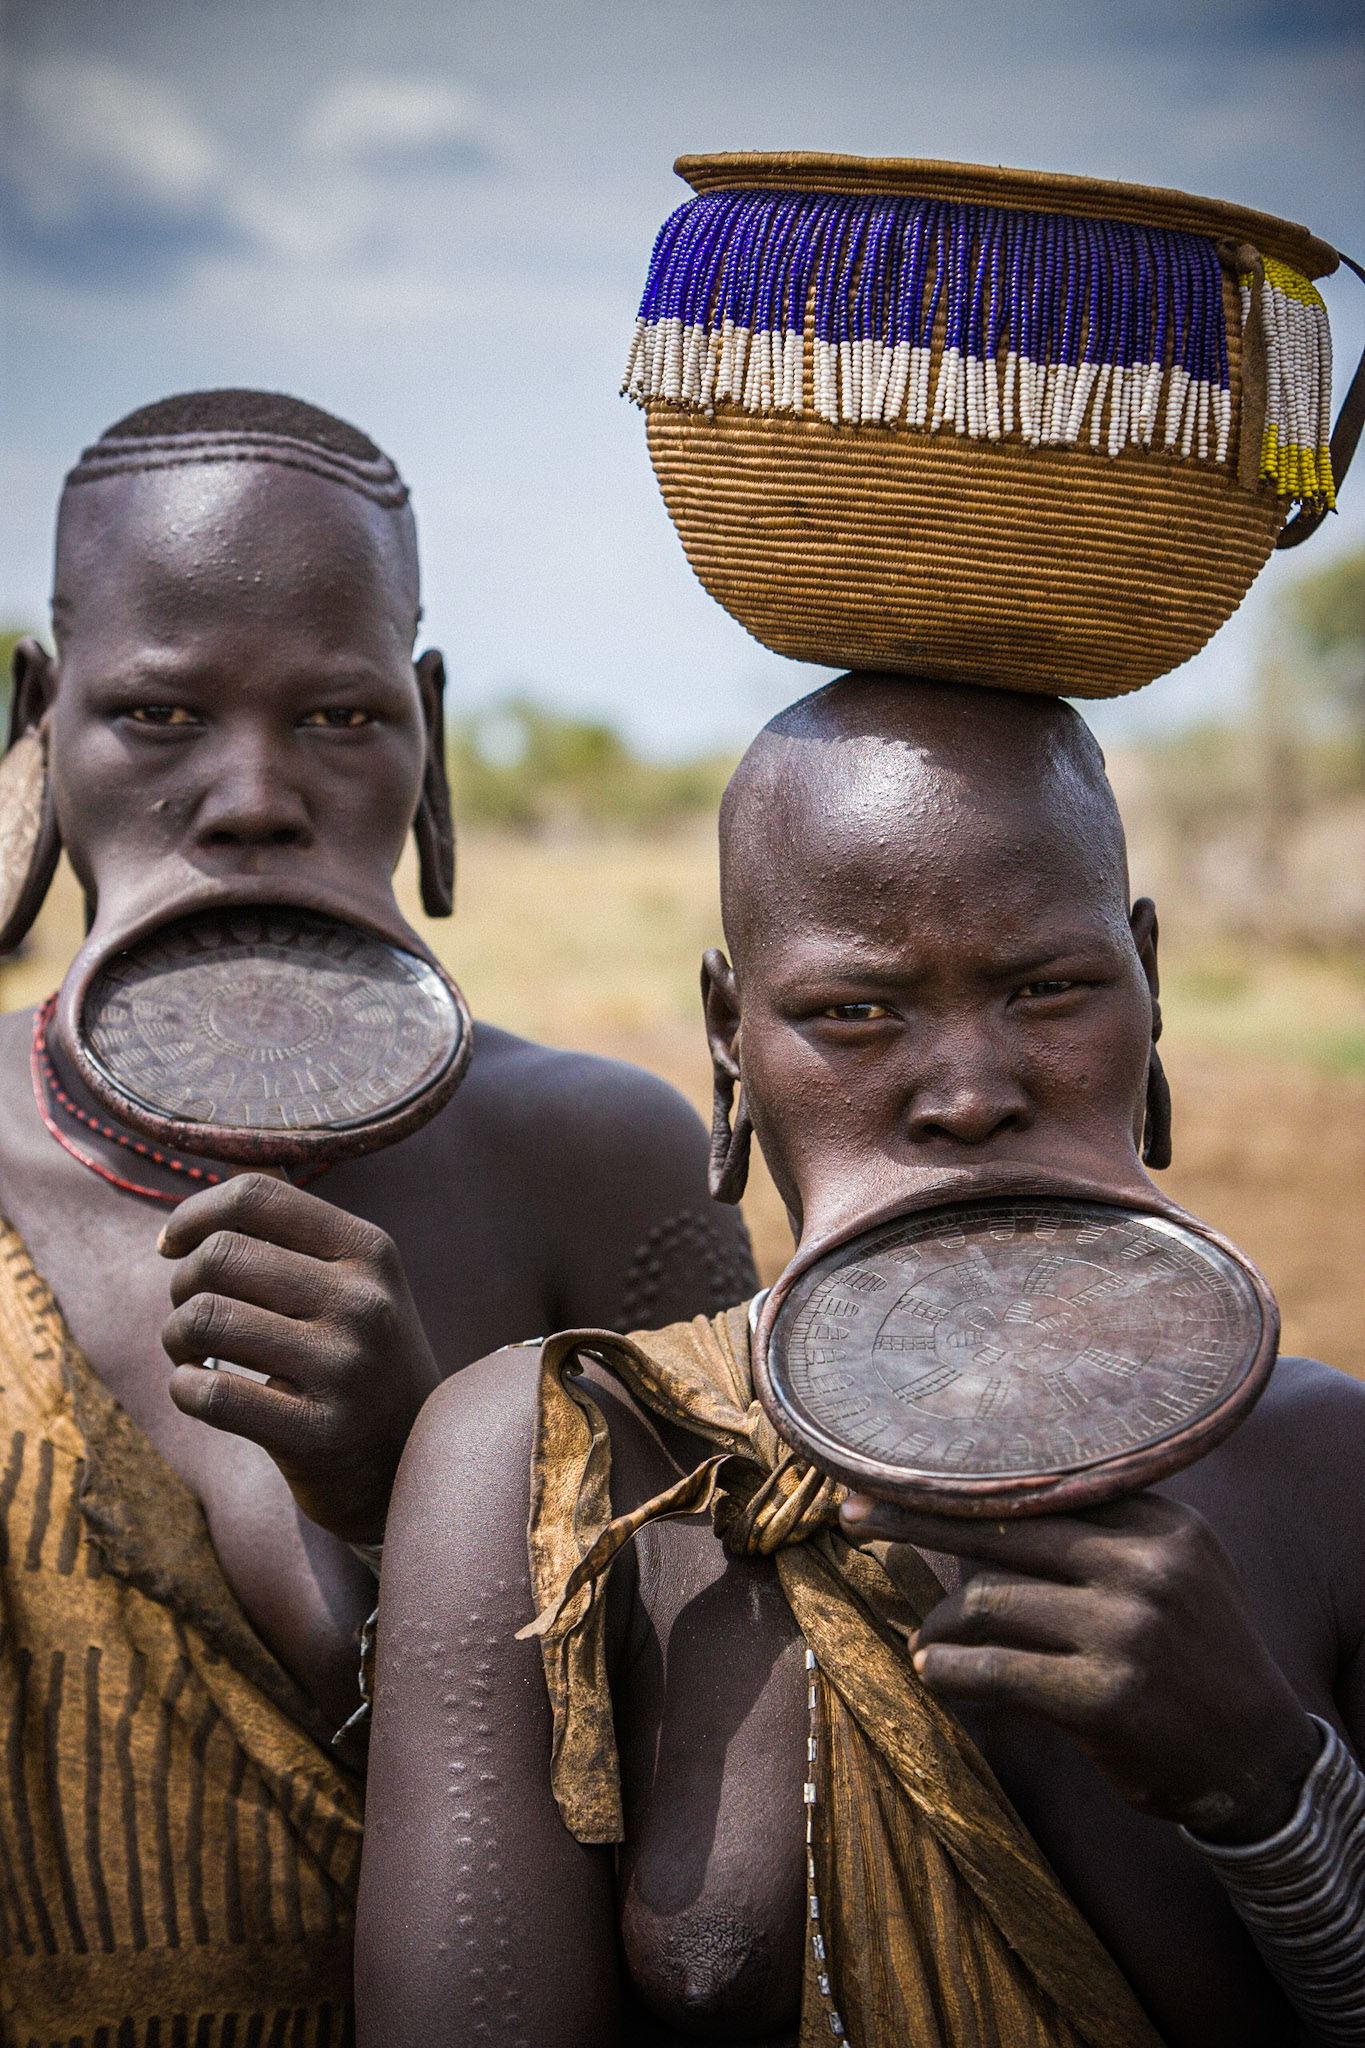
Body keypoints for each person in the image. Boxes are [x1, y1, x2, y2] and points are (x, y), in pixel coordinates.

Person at [357, 674, 1364, 2048]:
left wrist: (1266, 1783)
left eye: (1049, 989)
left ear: (1148, 984)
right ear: (728, 1035)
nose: (966, 1091)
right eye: (853, 1013)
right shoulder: (559, 1474)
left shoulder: (1327, 1471)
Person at [0, 389, 754, 2045]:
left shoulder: (596, 1166)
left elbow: (735, 1899)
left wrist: (425, 1489)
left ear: (423, 732)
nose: (255, 796)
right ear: (41, 722)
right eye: (157, 715)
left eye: (339, 720)